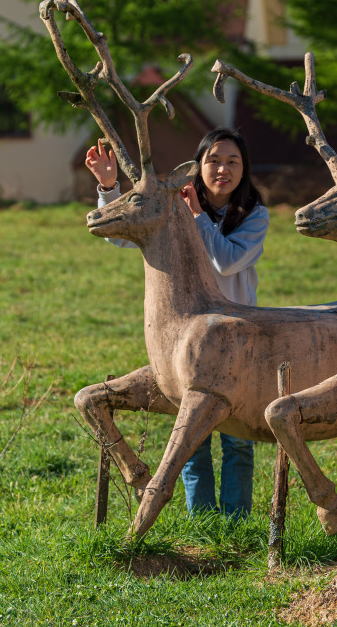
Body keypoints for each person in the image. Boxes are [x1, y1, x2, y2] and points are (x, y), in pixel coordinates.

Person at [85, 128, 269, 519]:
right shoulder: (172, 208)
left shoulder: (255, 216)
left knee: (238, 443)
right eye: (213, 161)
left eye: (232, 161)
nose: (222, 169)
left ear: (244, 169)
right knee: (191, 441)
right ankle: (200, 524)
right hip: (185, 342)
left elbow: (227, 261)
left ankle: (237, 527)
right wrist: (108, 186)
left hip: (236, 342)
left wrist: (198, 216)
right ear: (197, 168)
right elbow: (124, 234)